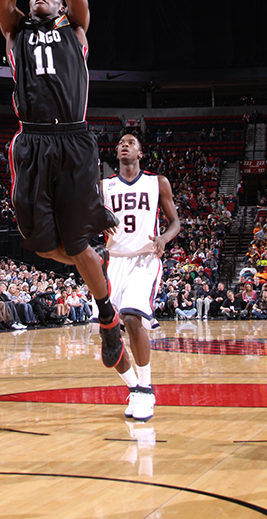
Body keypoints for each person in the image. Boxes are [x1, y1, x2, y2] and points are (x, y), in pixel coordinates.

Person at [0, 0, 122, 367]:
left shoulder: (77, 27)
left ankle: (106, 314)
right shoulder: (14, 30)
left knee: (81, 242)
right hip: (30, 142)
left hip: (73, 138)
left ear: (63, 6)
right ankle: (92, 254)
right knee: (45, 246)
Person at [100, 134, 180, 421]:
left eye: (131, 142)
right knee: (109, 339)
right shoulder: (104, 186)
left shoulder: (157, 182)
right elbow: (90, 220)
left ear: (140, 153)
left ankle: (146, 389)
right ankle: (135, 389)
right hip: (114, 262)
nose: (125, 144)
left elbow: (175, 222)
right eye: (121, 142)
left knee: (133, 317)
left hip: (145, 258)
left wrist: (164, 238)